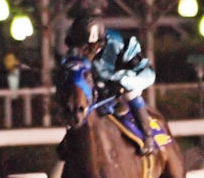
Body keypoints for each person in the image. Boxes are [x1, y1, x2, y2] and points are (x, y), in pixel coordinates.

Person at [63, 14, 159, 155]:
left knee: (130, 93)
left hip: (122, 86)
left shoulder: (120, 45)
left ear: (97, 43)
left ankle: (148, 136)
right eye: (79, 47)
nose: (82, 53)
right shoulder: (75, 52)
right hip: (97, 89)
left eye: (86, 48)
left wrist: (124, 82)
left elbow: (148, 74)